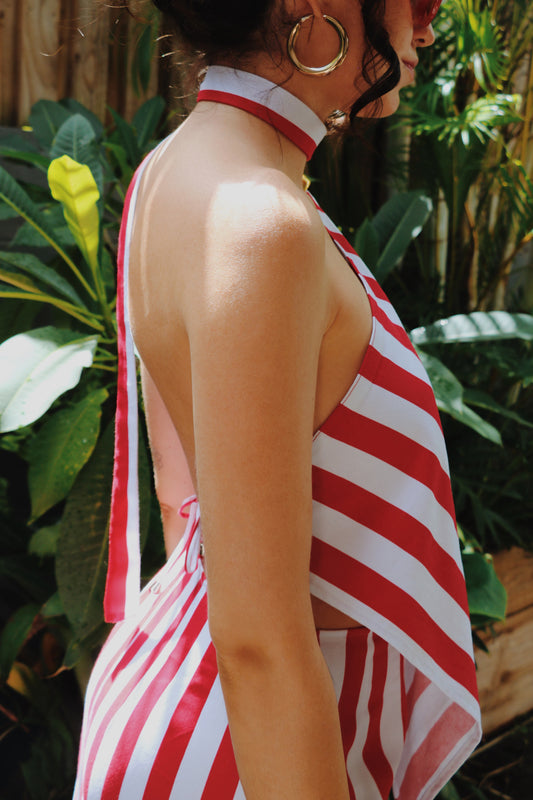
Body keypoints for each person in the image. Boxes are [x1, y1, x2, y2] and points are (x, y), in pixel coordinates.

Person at [73, 1, 482, 798]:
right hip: (248, 753)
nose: (428, 26)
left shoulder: (176, 170)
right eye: (423, 2)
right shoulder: (260, 223)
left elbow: (182, 506)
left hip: (201, 714)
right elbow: (258, 640)